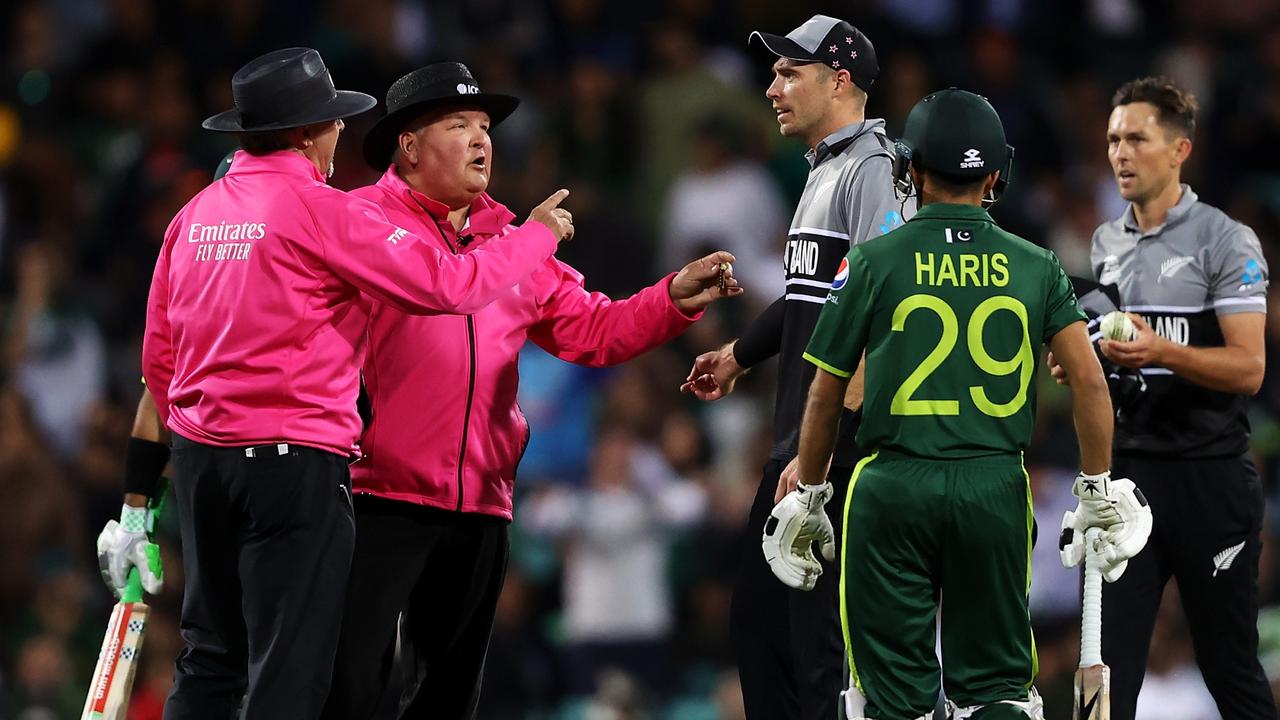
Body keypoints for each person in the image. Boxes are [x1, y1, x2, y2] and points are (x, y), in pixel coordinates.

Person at [130, 47, 574, 720]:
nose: (341, 133)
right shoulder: (322, 208)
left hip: (200, 464)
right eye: (334, 121)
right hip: (291, 465)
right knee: (290, 662)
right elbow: (449, 286)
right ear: (310, 132)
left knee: (209, 656)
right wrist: (534, 235)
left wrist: (158, 479)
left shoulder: (193, 217)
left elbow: (160, 360)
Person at [317, 62, 740, 720]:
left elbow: (595, 330)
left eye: (484, 126)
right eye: (459, 125)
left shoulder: (512, 245)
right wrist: (535, 238)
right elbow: (444, 284)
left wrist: (670, 299)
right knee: (349, 690)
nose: (482, 139)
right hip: (375, 496)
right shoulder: (360, 221)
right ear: (408, 145)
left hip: (481, 505)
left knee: (448, 697)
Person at [776, 88, 1150, 719]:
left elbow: (825, 390)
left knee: (889, 699)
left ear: (909, 170)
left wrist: (810, 491)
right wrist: (1097, 486)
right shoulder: (1037, 265)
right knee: (1000, 691)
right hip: (997, 490)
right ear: (997, 175)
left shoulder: (870, 262)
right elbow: (1088, 382)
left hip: (892, 488)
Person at [680, 15, 904, 718]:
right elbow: (811, 297)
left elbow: (882, 313)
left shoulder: (874, 169)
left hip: (834, 448)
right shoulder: (825, 168)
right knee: (761, 632)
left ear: (838, 80)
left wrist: (826, 450)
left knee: (817, 654)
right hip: (797, 440)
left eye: (788, 72)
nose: (772, 86)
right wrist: (741, 354)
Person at [1049, 76, 1276, 719]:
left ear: (1179, 149)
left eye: (1137, 139)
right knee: (1105, 668)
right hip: (1130, 484)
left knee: (1229, 669)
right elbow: (1122, 354)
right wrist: (1088, 363)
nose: (1120, 153)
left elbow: (1249, 368)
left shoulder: (1226, 240)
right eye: (1113, 139)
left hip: (1210, 481)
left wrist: (1160, 351)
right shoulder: (1106, 242)